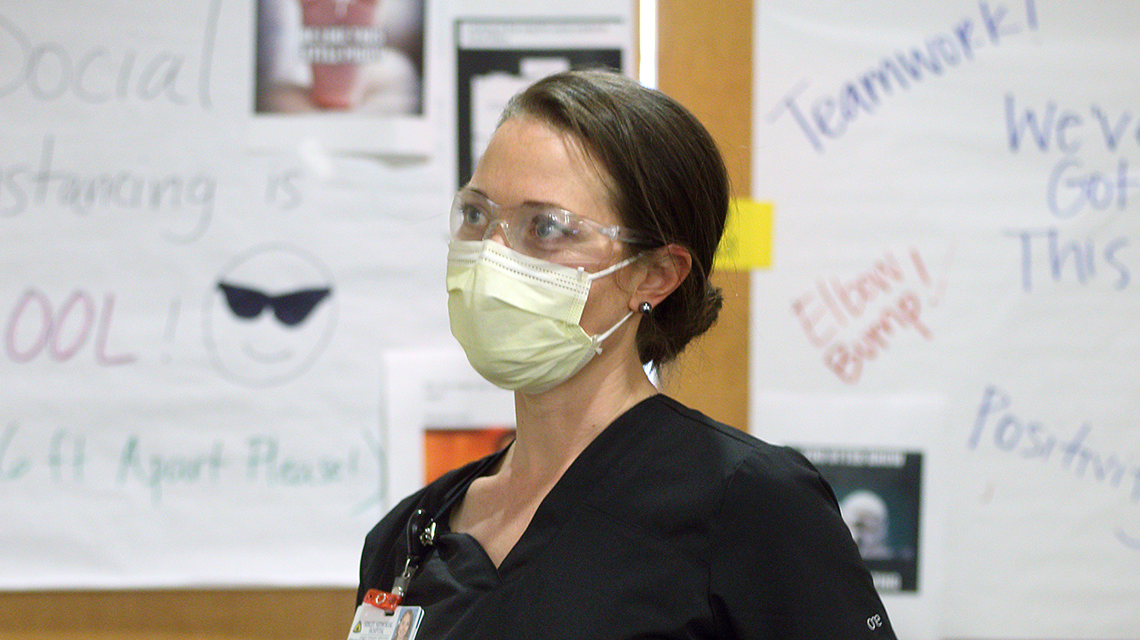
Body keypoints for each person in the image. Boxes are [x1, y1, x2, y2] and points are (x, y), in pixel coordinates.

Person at [357, 68, 896, 639]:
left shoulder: (747, 502)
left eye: (545, 226)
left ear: (655, 275)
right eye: (476, 215)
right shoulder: (412, 535)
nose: (493, 255)